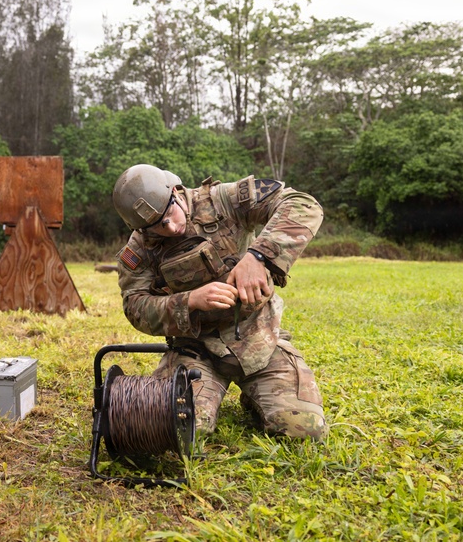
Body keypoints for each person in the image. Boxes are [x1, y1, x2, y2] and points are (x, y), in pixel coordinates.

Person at [112, 164, 327, 440]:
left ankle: (258, 397)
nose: (171, 227)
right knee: (179, 430)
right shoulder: (139, 250)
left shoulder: (224, 199)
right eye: (156, 227)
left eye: (169, 213)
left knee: (305, 429)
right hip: (194, 351)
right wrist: (188, 301)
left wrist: (259, 257)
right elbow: (135, 307)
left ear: (176, 191)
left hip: (258, 341)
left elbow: (302, 204)